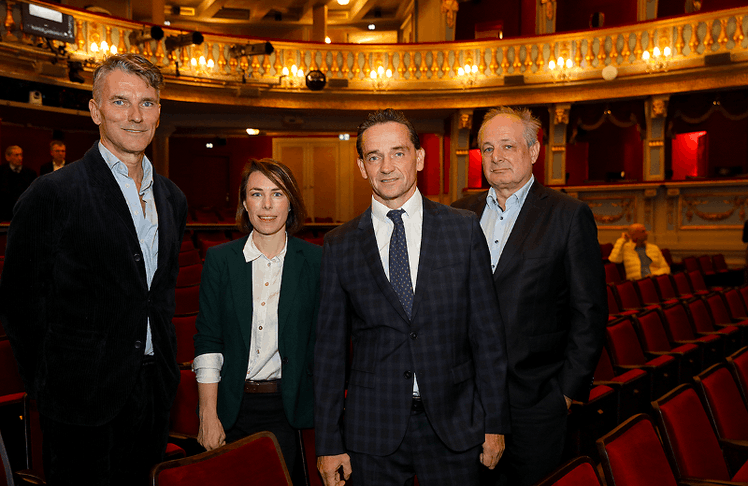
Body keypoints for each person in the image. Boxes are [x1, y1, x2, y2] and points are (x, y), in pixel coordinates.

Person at [0, 53, 187, 486]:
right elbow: (19, 303)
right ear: (95, 110)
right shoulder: (52, 193)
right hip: (79, 401)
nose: (136, 116)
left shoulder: (173, 198)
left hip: (154, 393)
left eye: (148, 103)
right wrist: (48, 388)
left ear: (160, 112)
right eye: (121, 102)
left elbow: (158, 295)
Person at [315, 108, 510, 486]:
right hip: (371, 432)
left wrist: (495, 422)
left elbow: (488, 337)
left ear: (419, 157)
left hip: (456, 426)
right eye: (374, 157)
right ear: (361, 167)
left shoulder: (462, 230)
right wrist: (328, 442)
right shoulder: (339, 245)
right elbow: (328, 354)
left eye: (398, 153)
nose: (386, 166)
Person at [452, 106, 607, 486]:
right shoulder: (458, 215)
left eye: (507, 145)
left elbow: (589, 311)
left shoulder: (568, 216)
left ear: (534, 151)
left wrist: (567, 394)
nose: (496, 157)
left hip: (535, 403)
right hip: (464, 402)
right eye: (487, 149)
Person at [192, 158, 321, 475]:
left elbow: (326, 347)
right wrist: (208, 414)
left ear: (291, 203)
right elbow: (209, 340)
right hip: (231, 409)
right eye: (256, 193)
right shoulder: (220, 260)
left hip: (290, 411)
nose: (267, 205)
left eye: (277, 194)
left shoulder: (317, 261)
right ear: (244, 203)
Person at [0, 145, 36, 221]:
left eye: (21, 155)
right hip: (5, 214)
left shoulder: (30, 173)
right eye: (16, 155)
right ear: (7, 157)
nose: (20, 158)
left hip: (24, 213)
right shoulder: (1, 172)